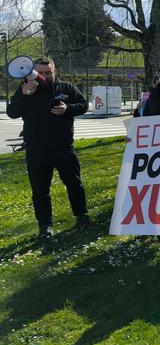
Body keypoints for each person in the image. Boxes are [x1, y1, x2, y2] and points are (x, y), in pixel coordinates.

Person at [7, 57, 90, 240]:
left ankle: (82, 216)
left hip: (63, 147)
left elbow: (83, 105)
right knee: (40, 190)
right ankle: (45, 226)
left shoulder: (67, 88)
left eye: (48, 72)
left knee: (74, 183)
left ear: (55, 71)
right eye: (40, 72)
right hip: (37, 149)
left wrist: (67, 108)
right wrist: (24, 94)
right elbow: (12, 112)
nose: (43, 76)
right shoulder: (26, 88)